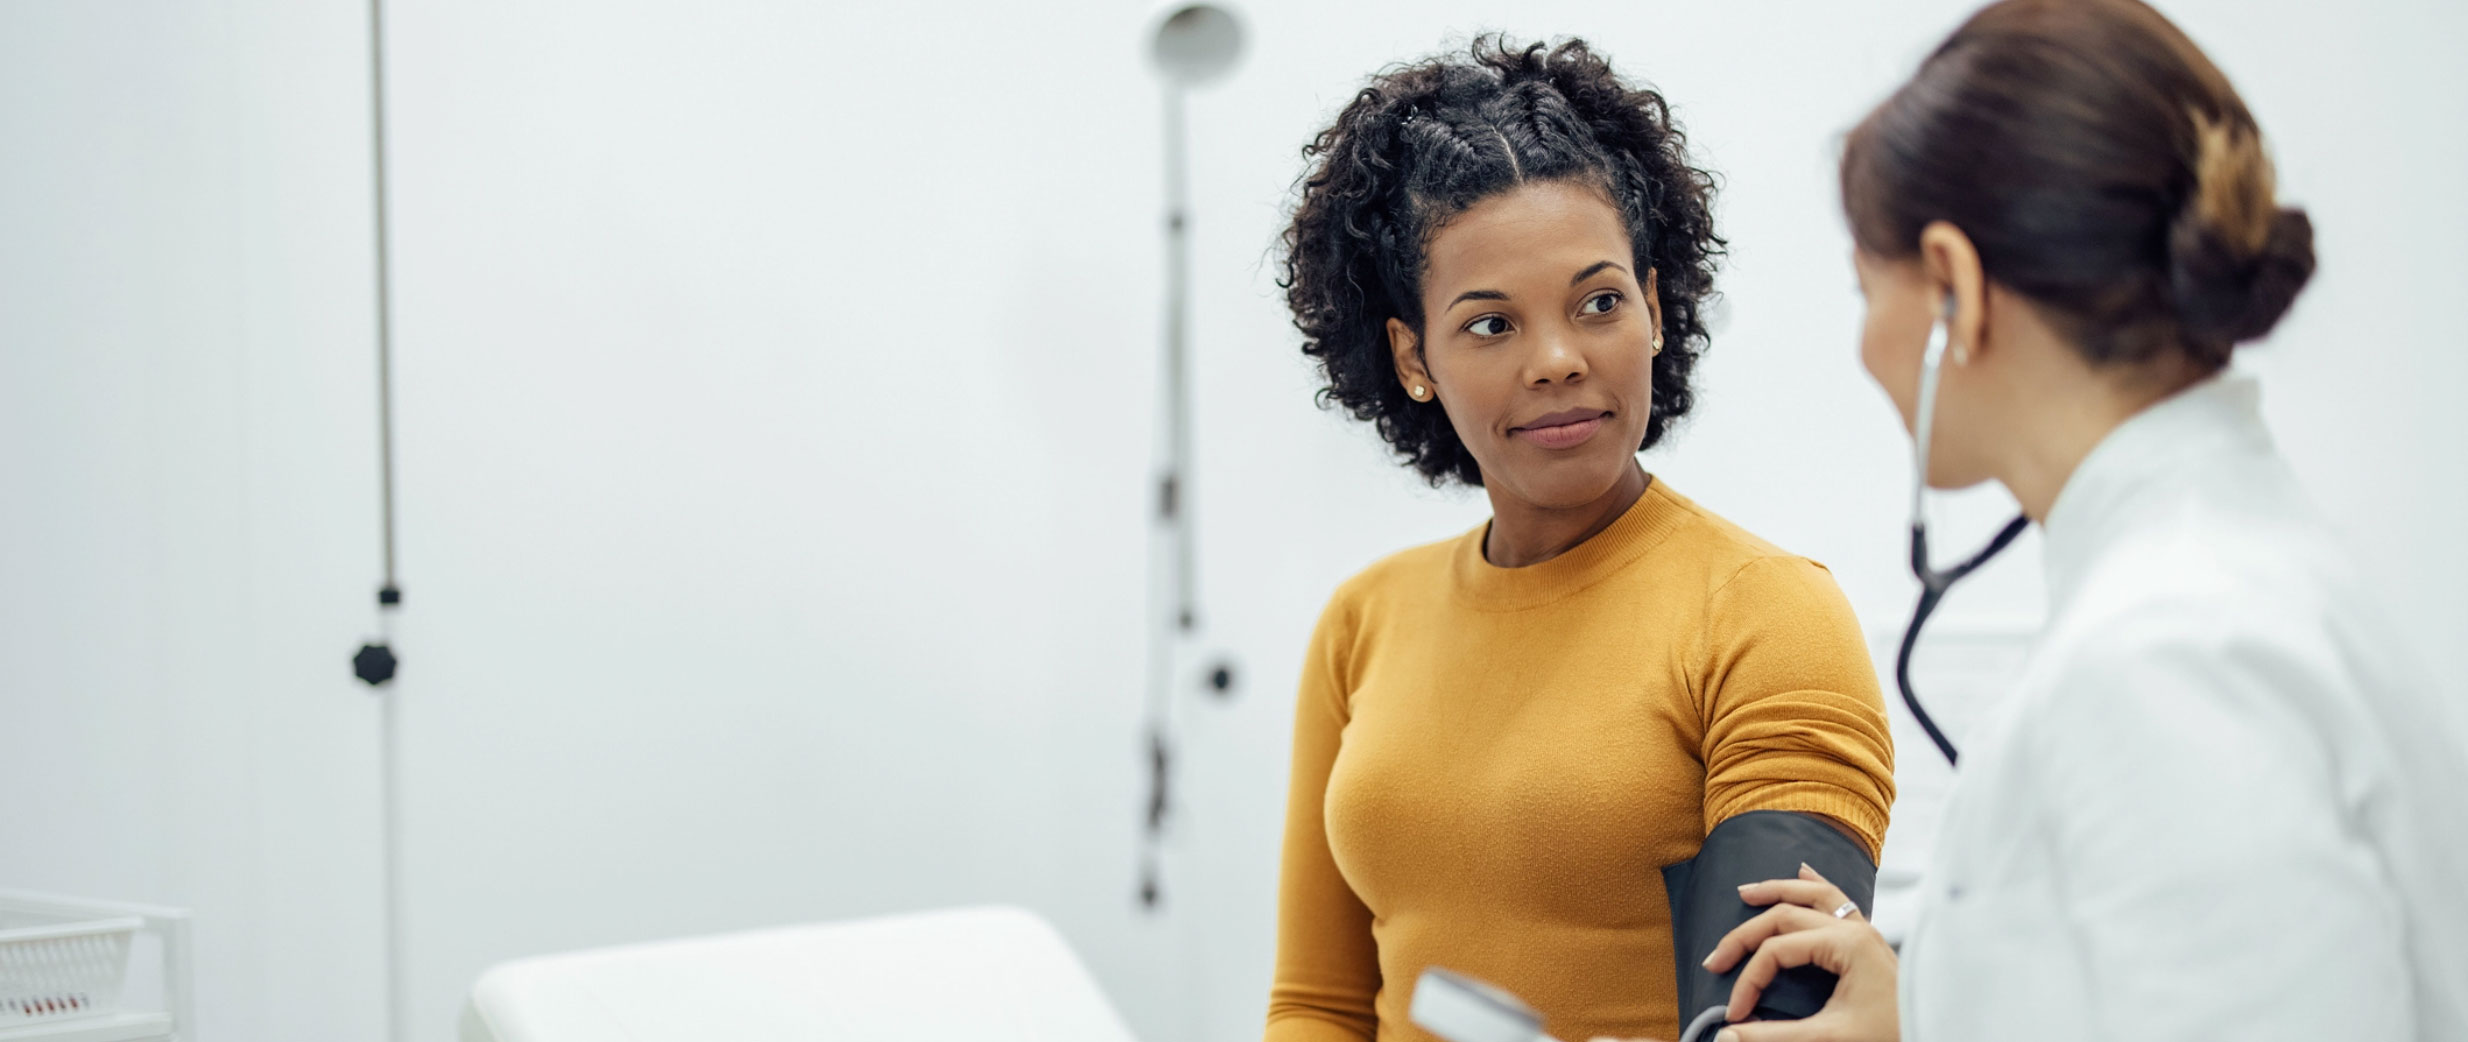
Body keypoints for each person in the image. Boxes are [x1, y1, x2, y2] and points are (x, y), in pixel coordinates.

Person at [1693, 2, 2468, 1040]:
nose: (1861, 344)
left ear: (1953, 286)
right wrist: (1931, 1002)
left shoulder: (2166, 658)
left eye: (1861, 287)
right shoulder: (2223, 582)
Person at [1267, 37, 1897, 1042]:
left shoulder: (1765, 612)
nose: (1557, 360)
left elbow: (1771, 1018)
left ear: (1652, 308)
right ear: (1410, 355)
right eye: (1489, 324)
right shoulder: (1362, 622)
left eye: (1597, 303)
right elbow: (1318, 1005)